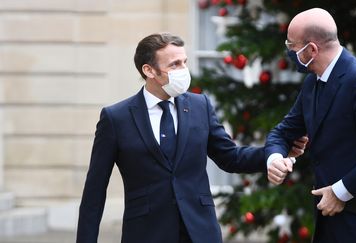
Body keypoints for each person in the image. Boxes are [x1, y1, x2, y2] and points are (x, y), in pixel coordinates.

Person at [76, 32, 307, 243]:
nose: (183, 69)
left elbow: (230, 157)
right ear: (149, 70)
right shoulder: (116, 118)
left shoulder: (200, 105)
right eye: (174, 64)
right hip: (146, 233)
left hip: (199, 231)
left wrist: (275, 153)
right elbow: (94, 191)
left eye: (184, 62)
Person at [265, 8, 356, 243]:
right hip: (332, 221)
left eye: (292, 46)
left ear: (311, 49)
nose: (289, 52)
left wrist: (341, 191)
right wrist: (274, 158)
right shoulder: (311, 83)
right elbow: (283, 132)